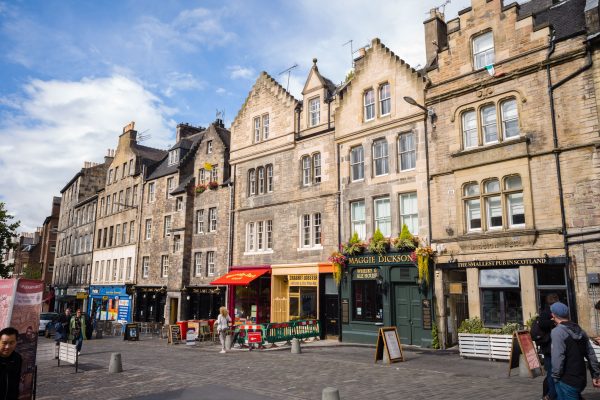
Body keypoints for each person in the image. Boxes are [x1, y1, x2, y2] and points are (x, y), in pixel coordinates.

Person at [550, 302, 600, 399]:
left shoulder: (558, 332)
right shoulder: (579, 329)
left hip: (566, 379)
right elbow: (590, 354)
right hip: (580, 378)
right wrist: (596, 374)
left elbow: (558, 356)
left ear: (553, 315)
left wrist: (555, 375)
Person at [537, 293, 559, 400]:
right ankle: (550, 395)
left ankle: (551, 393)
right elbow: (542, 324)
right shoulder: (546, 312)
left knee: (554, 372)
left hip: (556, 347)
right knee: (551, 372)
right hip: (549, 348)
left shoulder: (555, 312)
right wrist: (553, 321)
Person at [0, 327, 22, 400]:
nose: (7, 347)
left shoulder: (17, 358)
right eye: (4, 343)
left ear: (16, 342)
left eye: (11, 343)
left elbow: (16, 382)